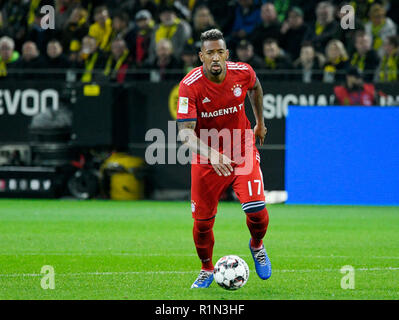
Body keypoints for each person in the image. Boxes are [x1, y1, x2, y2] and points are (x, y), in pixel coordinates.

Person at [177, 29, 271, 288]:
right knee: (203, 224)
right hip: (207, 157)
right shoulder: (189, 85)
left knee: (258, 213)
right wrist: (211, 153)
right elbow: (185, 133)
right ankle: (207, 269)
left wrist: (260, 122)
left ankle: (257, 245)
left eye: (220, 52)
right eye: (210, 53)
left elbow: (256, 87)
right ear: (201, 56)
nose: (216, 57)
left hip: (242, 149)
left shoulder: (242, 72)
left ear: (227, 54)